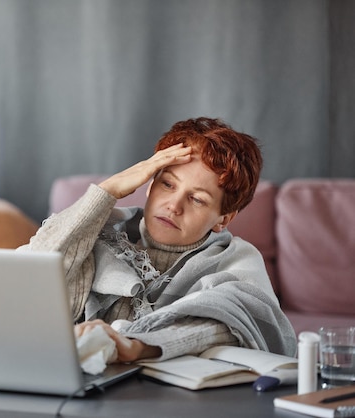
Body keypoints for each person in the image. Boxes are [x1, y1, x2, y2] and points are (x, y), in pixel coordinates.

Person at [19, 117, 297, 363]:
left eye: (197, 199)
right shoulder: (99, 232)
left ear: (223, 219)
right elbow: (27, 279)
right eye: (167, 184)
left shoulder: (236, 262)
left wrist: (138, 346)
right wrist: (108, 190)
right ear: (150, 184)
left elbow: (232, 323)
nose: (174, 206)